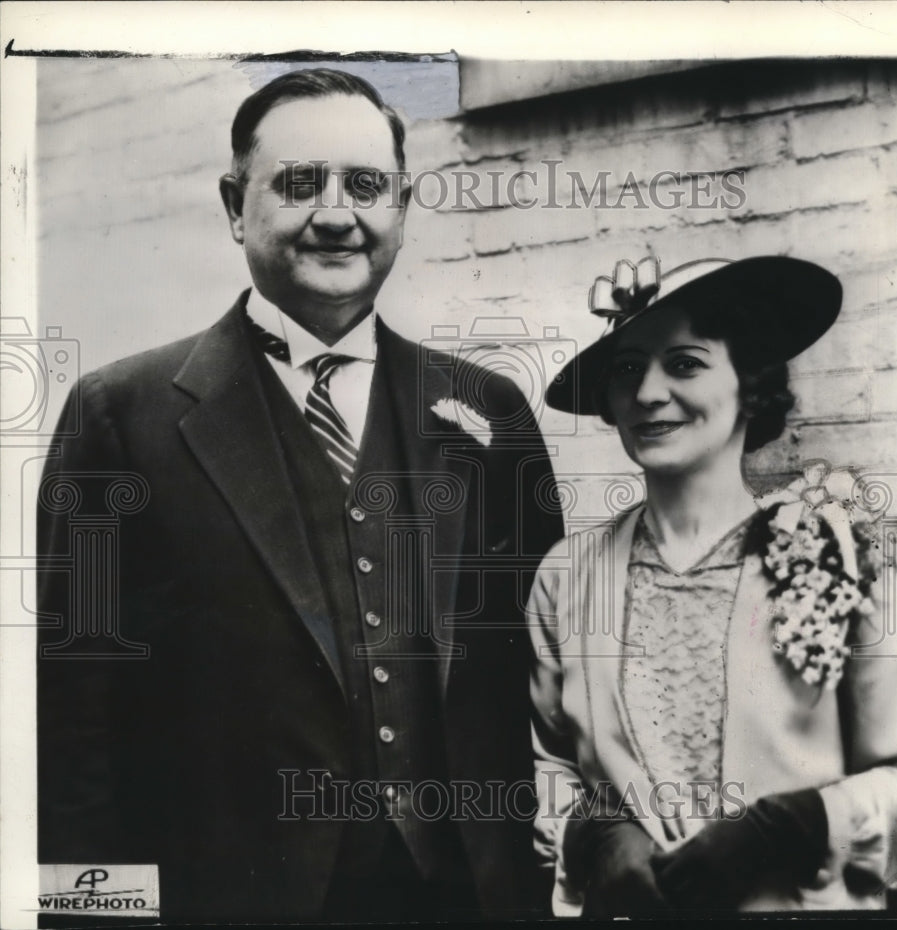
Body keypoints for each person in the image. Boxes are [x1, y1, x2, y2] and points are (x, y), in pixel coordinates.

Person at [36, 68, 563, 923]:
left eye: (365, 185)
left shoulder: (486, 415)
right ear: (234, 205)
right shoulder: (118, 418)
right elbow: (68, 724)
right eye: (298, 183)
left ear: (401, 207)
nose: (335, 213)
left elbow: (545, 675)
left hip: (465, 895)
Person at [529, 256, 897, 916]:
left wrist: (790, 828)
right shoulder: (567, 576)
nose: (646, 393)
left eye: (684, 364)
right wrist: (591, 837)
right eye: (627, 368)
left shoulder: (834, 556)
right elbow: (548, 763)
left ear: (749, 384)